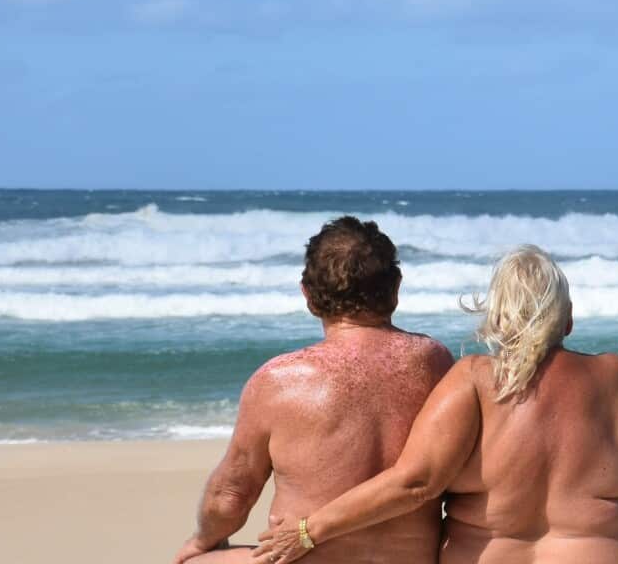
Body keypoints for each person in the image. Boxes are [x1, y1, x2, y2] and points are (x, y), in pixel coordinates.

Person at [254, 245, 618, 564]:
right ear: (568, 319)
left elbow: (415, 483)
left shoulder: (473, 380)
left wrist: (309, 530)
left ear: (498, 319)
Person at [173, 216, 453, 564]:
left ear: (308, 294)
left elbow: (232, 495)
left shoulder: (278, 381)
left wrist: (203, 540)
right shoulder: (437, 362)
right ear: (395, 287)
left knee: (191, 562)